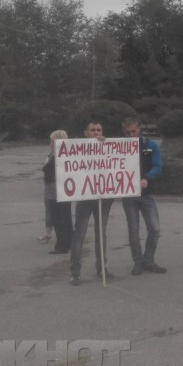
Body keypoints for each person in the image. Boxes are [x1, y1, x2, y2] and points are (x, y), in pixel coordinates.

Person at [69, 120, 114, 286]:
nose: (96, 133)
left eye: (99, 130)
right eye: (92, 130)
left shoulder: (108, 147)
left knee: (101, 234)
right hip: (85, 197)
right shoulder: (79, 149)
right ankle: (75, 272)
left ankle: (102, 268)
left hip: (104, 197)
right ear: (86, 133)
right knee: (79, 234)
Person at [121, 117, 166, 275]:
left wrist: (147, 178)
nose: (131, 135)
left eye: (133, 131)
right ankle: (138, 263)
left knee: (154, 228)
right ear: (124, 133)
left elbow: (157, 165)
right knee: (133, 231)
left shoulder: (150, 145)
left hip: (146, 193)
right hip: (128, 194)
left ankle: (148, 260)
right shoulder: (119, 146)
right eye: (128, 133)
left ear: (139, 129)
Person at [42, 130, 72, 255]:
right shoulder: (55, 154)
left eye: (52, 141)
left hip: (56, 192)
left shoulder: (58, 156)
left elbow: (48, 170)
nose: (50, 144)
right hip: (59, 191)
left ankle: (62, 246)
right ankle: (68, 243)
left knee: (60, 221)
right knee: (65, 219)